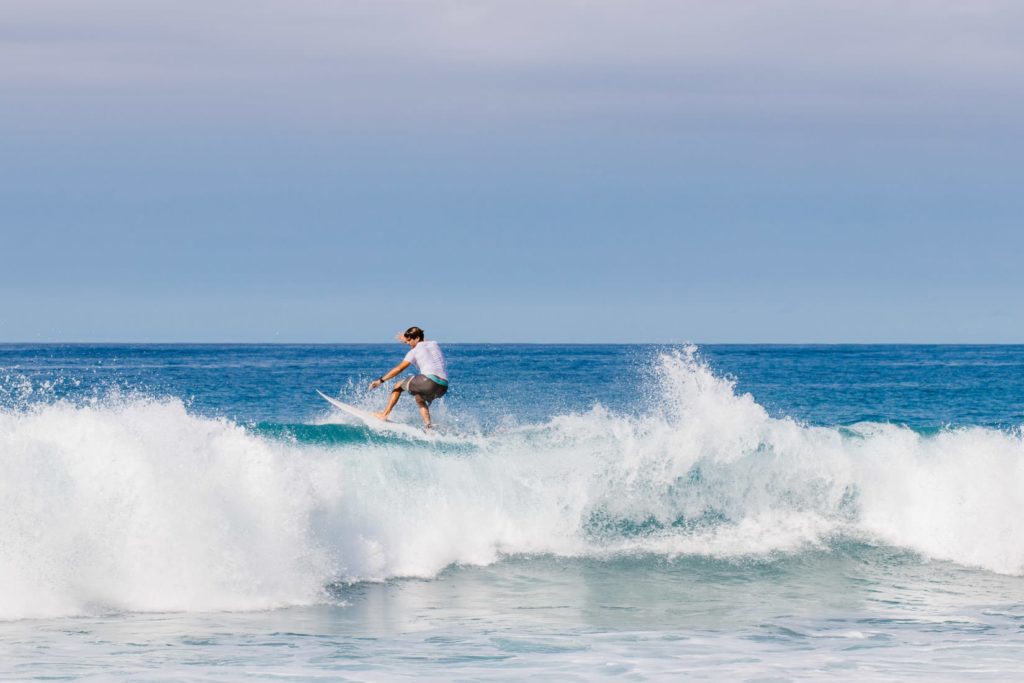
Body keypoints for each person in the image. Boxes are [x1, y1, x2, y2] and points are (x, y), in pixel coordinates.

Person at [369, 326, 449, 429]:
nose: (408, 343)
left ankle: (384, 414)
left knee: (398, 385)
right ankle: (429, 427)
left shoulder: (413, 352)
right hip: (443, 386)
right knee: (419, 398)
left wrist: (380, 381)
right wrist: (409, 336)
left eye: (409, 340)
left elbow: (399, 369)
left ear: (417, 338)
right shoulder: (434, 344)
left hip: (428, 381)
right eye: (407, 341)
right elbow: (423, 340)